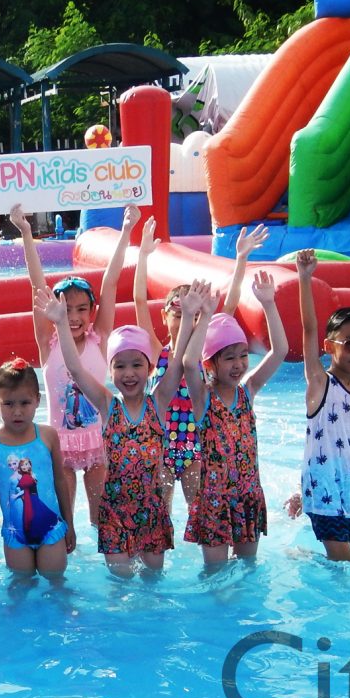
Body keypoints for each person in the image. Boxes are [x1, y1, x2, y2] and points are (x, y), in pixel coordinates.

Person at [39, 281, 203, 575]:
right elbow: (75, 368)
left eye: (137, 365)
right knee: (121, 582)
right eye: (120, 366)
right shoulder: (107, 405)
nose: (129, 374)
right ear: (110, 370)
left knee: (153, 581)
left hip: (152, 514)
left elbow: (177, 363)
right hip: (115, 514)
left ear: (149, 368)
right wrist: (62, 324)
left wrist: (189, 316)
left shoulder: (158, 403)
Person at [11, 202, 139, 524]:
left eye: (82, 309)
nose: (74, 317)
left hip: (97, 440)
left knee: (101, 520)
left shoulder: (100, 339)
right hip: (60, 443)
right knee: (63, 519)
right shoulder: (48, 342)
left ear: (92, 311)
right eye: (66, 309)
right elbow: (37, 286)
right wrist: (26, 232)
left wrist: (126, 231)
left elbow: (110, 283)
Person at [134, 216, 268, 510]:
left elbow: (230, 304)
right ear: (164, 316)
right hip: (161, 446)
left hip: (196, 447)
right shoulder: (156, 351)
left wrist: (241, 259)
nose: (188, 319)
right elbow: (139, 300)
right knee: (160, 514)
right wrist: (143, 256)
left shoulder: (207, 352)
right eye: (178, 312)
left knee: (202, 512)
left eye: (194, 313)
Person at [180, 273, 289, 568]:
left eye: (243, 355)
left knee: (247, 568)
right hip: (214, 500)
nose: (239, 364)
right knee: (215, 572)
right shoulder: (203, 398)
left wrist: (269, 304)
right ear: (210, 363)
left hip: (248, 495)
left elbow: (280, 351)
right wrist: (205, 316)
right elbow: (188, 362)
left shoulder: (248, 391)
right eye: (229, 358)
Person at [294, 248, 350, 563]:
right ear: (329, 347)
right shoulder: (320, 383)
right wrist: (304, 279)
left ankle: (300, 556)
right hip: (325, 489)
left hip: (346, 488)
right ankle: (297, 557)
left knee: (342, 562)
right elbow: (308, 329)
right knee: (344, 564)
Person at [0, 358, 76, 575]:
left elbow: (60, 481)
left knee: (55, 582)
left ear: (37, 400)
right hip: (16, 535)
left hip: (51, 529)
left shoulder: (48, 436)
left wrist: (70, 524)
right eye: (8, 404)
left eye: (24, 403)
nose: (17, 411)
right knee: (21, 585)